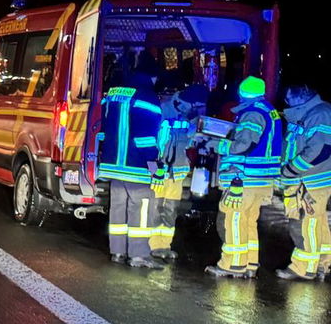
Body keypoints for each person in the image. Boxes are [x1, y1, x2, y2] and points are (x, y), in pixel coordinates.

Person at [207, 75, 284, 279]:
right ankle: (250, 264)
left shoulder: (252, 114)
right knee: (249, 222)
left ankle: (233, 265)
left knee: (234, 220)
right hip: (262, 179)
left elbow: (244, 145)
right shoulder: (270, 111)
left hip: (245, 178)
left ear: (242, 93)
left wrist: (218, 145)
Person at [96, 73, 164, 268]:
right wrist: (155, 167)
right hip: (136, 167)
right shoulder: (146, 97)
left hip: (112, 166)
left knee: (117, 210)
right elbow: (146, 137)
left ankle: (117, 252)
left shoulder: (113, 94)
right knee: (141, 210)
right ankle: (139, 255)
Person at [277, 83, 331, 281]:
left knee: (304, 224)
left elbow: (320, 150)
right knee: (318, 223)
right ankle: (323, 264)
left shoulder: (319, 114)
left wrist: (291, 169)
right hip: (311, 180)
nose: (286, 103)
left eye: (289, 99)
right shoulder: (313, 112)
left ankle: (304, 268)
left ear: (300, 98)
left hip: (310, 180)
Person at [148, 84, 207, 260]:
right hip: (160, 171)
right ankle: (150, 245)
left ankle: (164, 246)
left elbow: (186, 141)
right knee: (154, 208)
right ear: (186, 102)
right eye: (195, 106)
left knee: (170, 210)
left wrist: (196, 138)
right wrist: (154, 168)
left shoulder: (191, 115)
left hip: (177, 172)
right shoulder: (162, 109)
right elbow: (152, 140)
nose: (196, 111)